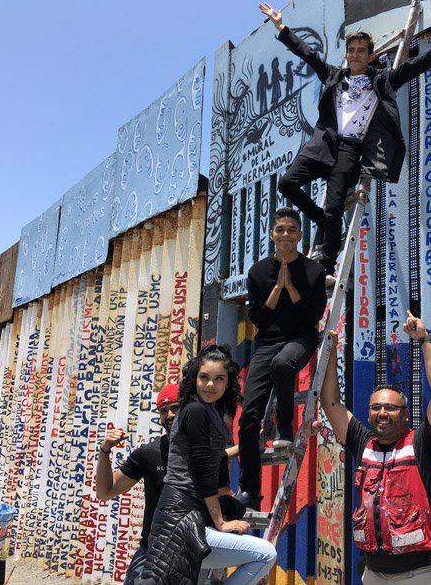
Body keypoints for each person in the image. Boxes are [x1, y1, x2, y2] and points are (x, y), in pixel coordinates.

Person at [258, 1, 431, 279]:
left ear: (371, 56)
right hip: (324, 143)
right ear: (347, 55)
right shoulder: (333, 76)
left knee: (335, 205)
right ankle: (320, 220)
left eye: (361, 50)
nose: (355, 54)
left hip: (350, 150)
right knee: (287, 183)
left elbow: (417, 64)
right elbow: (307, 54)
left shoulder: (382, 81)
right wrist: (281, 26)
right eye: (351, 50)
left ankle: (326, 264)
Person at [321, 311, 431, 584]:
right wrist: (330, 348)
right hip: (374, 572)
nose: (382, 413)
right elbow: (331, 401)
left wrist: (424, 339)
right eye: (376, 407)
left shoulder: (424, 443)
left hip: (420, 572)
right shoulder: (363, 441)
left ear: (405, 414)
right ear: (368, 414)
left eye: (391, 408)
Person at [140, 345, 277, 584]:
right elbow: (203, 469)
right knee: (266, 554)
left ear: (227, 384)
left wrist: (249, 445)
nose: (210, 385)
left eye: (218, 379)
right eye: (204, 377)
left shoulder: (208, 412)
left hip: (189, 516)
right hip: (181, 519)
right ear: (194, 378)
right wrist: (221, 522)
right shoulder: (195, 410)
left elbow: (213, 456)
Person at [234, 207, 327, 510]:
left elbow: (312, 317)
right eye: (280, 230)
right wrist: (277, 288)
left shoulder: (313, 271)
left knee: (283, 364)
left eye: (291, 229)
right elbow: (258, 319)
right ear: (272, 235)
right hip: (267, 342)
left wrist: (292, 288)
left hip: (301, 339)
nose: (285, 235)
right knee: (247, 419)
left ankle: (284, 425)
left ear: (300, 235)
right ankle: (249, 488)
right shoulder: (258, 272)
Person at [96, 384, 180, 585]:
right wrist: (105, 450)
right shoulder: (149, 453)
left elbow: (222, 457)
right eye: (163, 410)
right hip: (153, 548)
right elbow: (105, 492)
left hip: (193, 548)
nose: (169, 415)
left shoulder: (202, 449)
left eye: (176, 408)